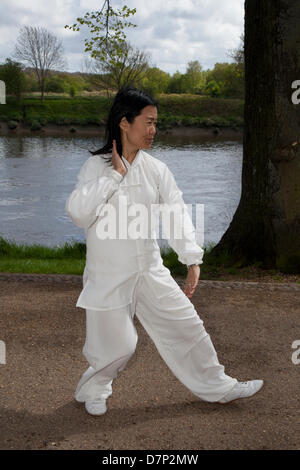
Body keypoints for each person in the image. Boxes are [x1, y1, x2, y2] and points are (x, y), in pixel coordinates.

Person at [65, 86, 264, 415]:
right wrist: (114, 176)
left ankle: (219, 386)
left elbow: (176, 212)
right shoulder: (95, 168)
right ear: (125, 122)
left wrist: (191, 259)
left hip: (149, 270)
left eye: (157, 123)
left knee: (187, 325)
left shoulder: (156, 170)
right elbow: (78, 213)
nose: (154, 130)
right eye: (149, 122)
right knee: (119, 346)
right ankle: (94, 387)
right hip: (108, 274)